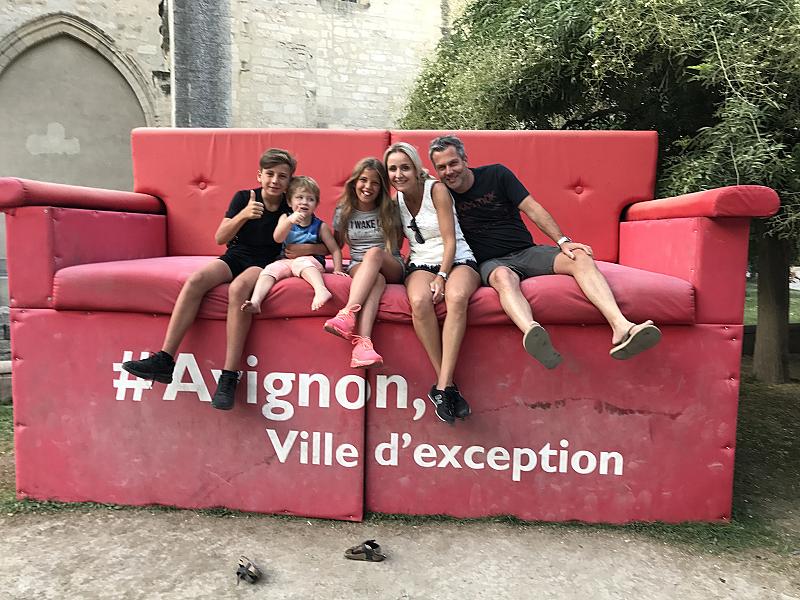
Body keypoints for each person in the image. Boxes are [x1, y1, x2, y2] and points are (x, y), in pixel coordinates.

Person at [428, 135, 661, 368]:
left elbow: (533, 208)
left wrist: (562, 241)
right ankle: (533, 333)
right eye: (441, 167)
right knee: (503, 277)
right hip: (491, 262)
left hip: (526, 251)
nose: (449, 171)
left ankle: (621, 325)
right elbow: (413, 184)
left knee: (579, 257)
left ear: (465, 160)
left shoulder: (497, 174)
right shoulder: (440, 194)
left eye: (453, 163)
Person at [122, 148, 310, 410]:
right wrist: (244, 214)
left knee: (238, 289)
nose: (275, 180)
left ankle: (229, 376)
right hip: (236, 255)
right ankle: (164, 359)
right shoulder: (245, 197)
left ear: (290, 180)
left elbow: (308, 234)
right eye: (270, 174)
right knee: (196, 280)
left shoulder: (291, 206)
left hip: (264, 262)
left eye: (282, 176)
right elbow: (220, 238)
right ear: (260, 175)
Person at [384, 142, 480, 425]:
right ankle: (446, 385)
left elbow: (450, 240)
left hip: (456, 259)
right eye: (393, 169)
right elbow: (394, 244)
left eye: (405, 167)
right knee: (418, 300)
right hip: (420, 263)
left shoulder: (436, 189)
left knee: (457, 296)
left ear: (416, 168)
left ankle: (442, 387)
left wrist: (442, 275)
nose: (399, 174)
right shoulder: (396, 201)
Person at [323, 158, 404, 369]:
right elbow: (336, 244)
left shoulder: (390, 208)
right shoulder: (344, 210)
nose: (368, 187)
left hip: (391, 263)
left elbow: (397, 243)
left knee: (375, 253)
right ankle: (363, 345)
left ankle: (348, 313)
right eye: (363, 180)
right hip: (359, 265)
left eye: (375, 183)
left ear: (381, 187)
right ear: (355, 182)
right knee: (376, 280)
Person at [241, 175, 344, 314]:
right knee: (270, 269)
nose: (304, 202)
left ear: (316, 204)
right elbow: (278, 238)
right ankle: (256, 301)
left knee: (300, 262)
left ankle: (321, 290)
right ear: (289, 202)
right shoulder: (285, 218)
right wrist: (289, 221)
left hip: (311, 263)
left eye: (310, 199)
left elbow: (335, 249)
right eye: (299, 197)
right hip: (287, 261)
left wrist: (338, 269)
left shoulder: (320, 226)